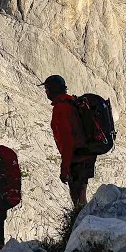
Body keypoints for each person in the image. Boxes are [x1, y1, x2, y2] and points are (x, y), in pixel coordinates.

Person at [41, 74, 96, 209]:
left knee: (77, 198)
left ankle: (81, 224)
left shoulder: (61, 109)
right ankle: (84, 220)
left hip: (77, 158)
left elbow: (67, 141)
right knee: (82, 192)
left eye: (47, 89)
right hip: (88, 153)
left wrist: (65, 168)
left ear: (52, 90)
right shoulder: (72, 102)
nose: (45, 92)